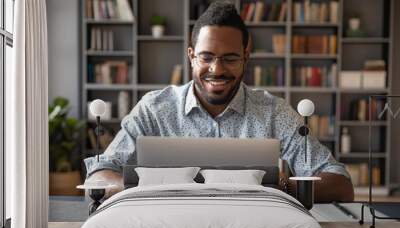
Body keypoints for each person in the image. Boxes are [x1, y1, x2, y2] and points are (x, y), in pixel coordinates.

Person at [84, 1, 354, 202]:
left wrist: (279, 188)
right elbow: (99, 177)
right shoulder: (154, 110)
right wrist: (151, 187)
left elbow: (340, 184)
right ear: (191, 56)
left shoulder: (274, 112)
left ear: (246, 57)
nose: (217, 69)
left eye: (230, 58)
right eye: (206, 56)